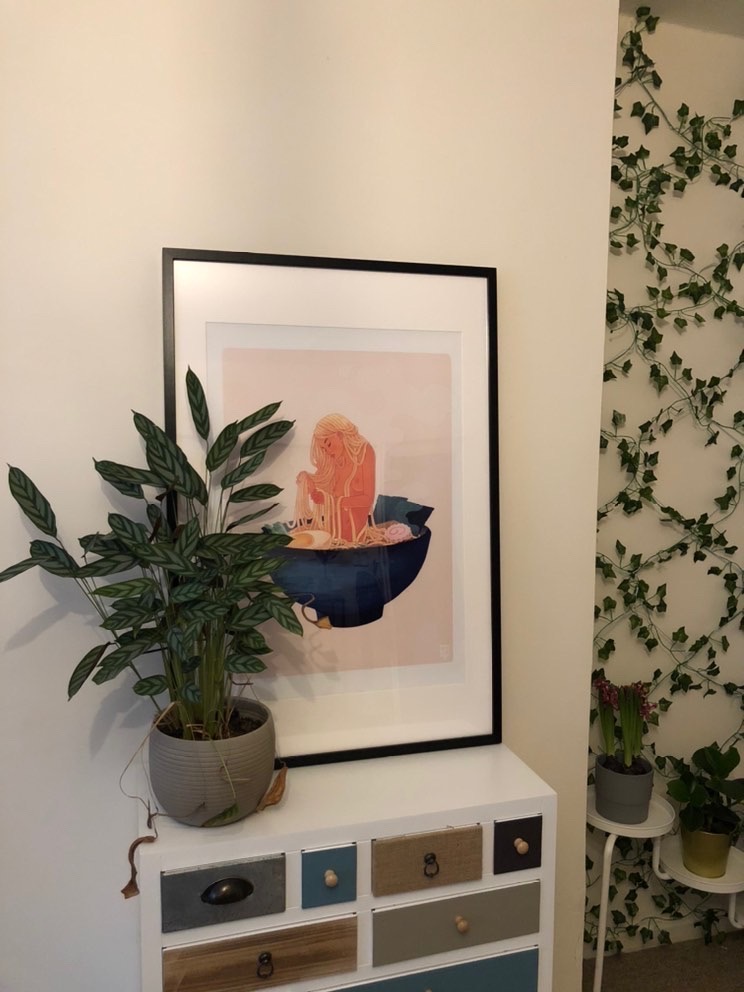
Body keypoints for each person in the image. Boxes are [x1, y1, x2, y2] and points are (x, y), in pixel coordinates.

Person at [295, 413, 376, 544]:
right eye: (323, 448)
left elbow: (367, 499)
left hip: (354, 535)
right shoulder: (334, 458)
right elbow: (323, 482)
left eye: (329, 444)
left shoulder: (365, 451)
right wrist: (307, 479)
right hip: (331, 530)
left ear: (340, 435)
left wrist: (331, 500)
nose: (327, 451)